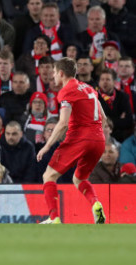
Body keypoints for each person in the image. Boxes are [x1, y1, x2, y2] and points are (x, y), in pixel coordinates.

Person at [36, 57, 108, 224]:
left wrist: (46, 147)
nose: (53, 76)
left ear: (61, 73)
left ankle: (53, 218)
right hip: (98, 140)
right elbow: (103, 117)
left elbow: (62, 123)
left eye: (54, 73)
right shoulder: (89, 88)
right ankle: (95, 204)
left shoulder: (66, 91)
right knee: (79, 179)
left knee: (49, 175)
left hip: (79, 138)